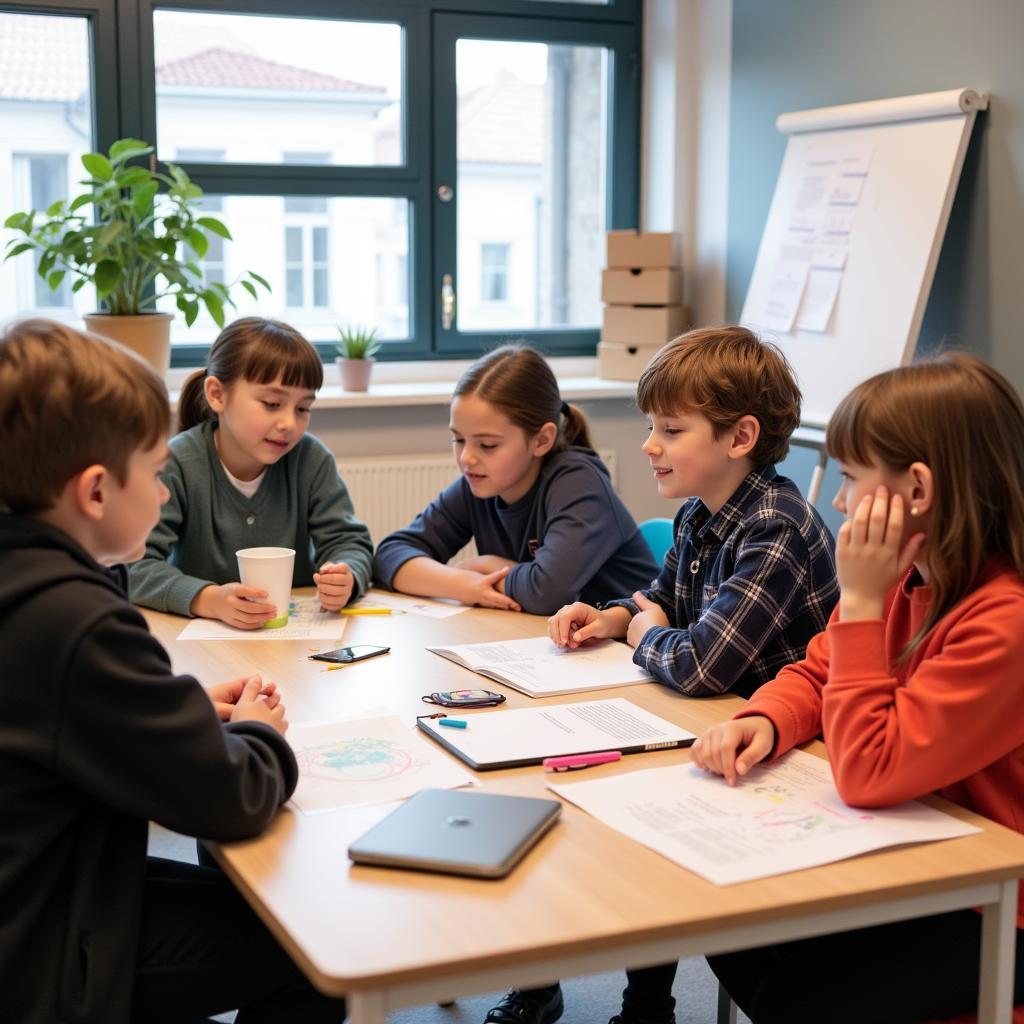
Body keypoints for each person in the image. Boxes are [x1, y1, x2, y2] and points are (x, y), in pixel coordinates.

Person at [0, 319, 347, 1023]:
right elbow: (229, 797)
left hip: (39, 880)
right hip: (45, 941)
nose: (163, 495)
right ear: (96, 491)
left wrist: (175, 706)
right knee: (317, 945)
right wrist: (259, 734)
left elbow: (75, 718)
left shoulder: (27, 582)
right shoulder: (80, 621)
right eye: (156, 474)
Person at [499, 326, 839, 1024]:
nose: (649, 444)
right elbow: (662, 600)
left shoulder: (776, 524)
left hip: (794, 753)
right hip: (723, 731)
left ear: (740, 437)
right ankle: (647, 1003)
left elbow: (699, 664)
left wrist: (647, 631)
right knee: (616, 796)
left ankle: (645, 1003)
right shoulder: (697, 513)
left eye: (670, 429)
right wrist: (612, 615)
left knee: (643, 815)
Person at [693, 352, 1024, 1024]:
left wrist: (864, 603)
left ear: (920, 490)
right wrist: (770, 717)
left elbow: (869, 771)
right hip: (921, 858)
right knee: (720, 925)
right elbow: (822, 670)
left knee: (799, 996)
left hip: (999, 901)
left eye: (850, 477)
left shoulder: (1004, 621)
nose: (838, 501)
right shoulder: (910, 574)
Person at [373, 344, 659, 616]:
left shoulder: (579, 482)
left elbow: (547, 592)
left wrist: (488, 566)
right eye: (458, 439)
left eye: (487, 445)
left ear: (541, 440)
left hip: (625, 651)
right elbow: (389, 556)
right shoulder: (478, 484)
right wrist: (466, 585)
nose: (467, 458)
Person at [129, 316, 373, 628]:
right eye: (272, 403)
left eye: (303, 409)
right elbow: (134, 566)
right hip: (202, 646)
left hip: (290, 643)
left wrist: (347, 576)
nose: (288, 423)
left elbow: (349, 542)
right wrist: (207, 598)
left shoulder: (311, 460)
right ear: (217, 395)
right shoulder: (177, 463)